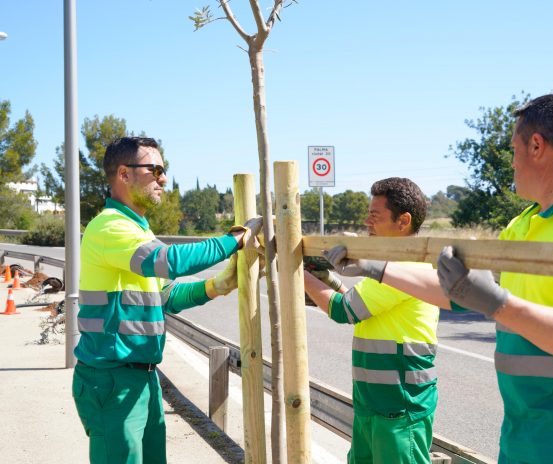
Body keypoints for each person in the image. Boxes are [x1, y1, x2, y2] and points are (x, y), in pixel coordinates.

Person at [326, 94, 553, 464]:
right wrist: (375, 268)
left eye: (514, 150)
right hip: (524, 437)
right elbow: (459, 294)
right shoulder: (527, 223)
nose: (512, 163)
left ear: (536, 146)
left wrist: (497, 301)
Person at [72, 136, 263, 464]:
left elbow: (166, 296)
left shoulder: (138, 232)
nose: (163, 178)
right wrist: (235, 238)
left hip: (142, 376)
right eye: (155, 169)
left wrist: (218, 285)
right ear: (124, 174)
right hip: (111, 379)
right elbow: (169, 262)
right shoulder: (109, 227)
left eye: (164, 170)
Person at [304, 177, 439, 464]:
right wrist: (326, 279)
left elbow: (344, 310)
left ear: (403, 221)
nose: (367, 222)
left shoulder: (405, 267)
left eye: (374, 216)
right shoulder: (389, 267)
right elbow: (360, 308)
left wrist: (294, 274)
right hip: (374, 405)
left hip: (399, 411)